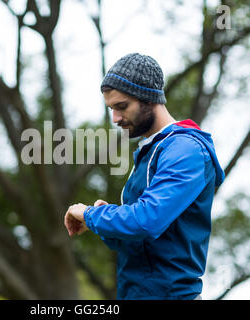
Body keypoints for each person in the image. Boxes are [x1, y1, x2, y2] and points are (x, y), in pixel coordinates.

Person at [64, 53, 225, 300]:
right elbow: (140, 244)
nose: (116, 118)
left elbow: (147, 220)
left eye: (122, 107)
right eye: (111, 109)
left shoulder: (186, 149)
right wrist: (105, 222)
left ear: (149, 99)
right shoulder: (150, 152)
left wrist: (91, 214)